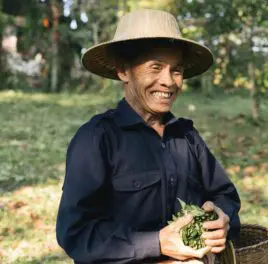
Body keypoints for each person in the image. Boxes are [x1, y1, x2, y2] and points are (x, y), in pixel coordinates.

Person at [56, 9, 241, 264]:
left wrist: (223, 218)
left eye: (176, 71)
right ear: (124, 71)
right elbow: (76, 233)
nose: (168, 81)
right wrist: (157, 243)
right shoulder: (96, 139)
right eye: (155, 67)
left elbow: (226, 196)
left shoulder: (186, 136)